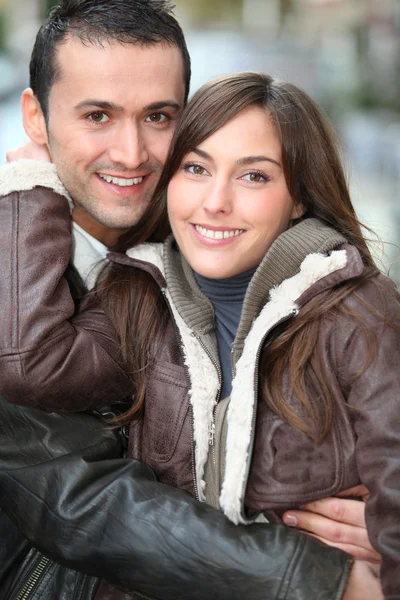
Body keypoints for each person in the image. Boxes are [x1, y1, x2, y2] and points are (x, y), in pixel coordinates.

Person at [0, 70, 392, 599]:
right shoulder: (137, 299)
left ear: (298, 198)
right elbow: (33, 361)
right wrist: (31, 185)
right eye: (196, 168)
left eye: (254, 176)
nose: (215, 202)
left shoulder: (356, 311)